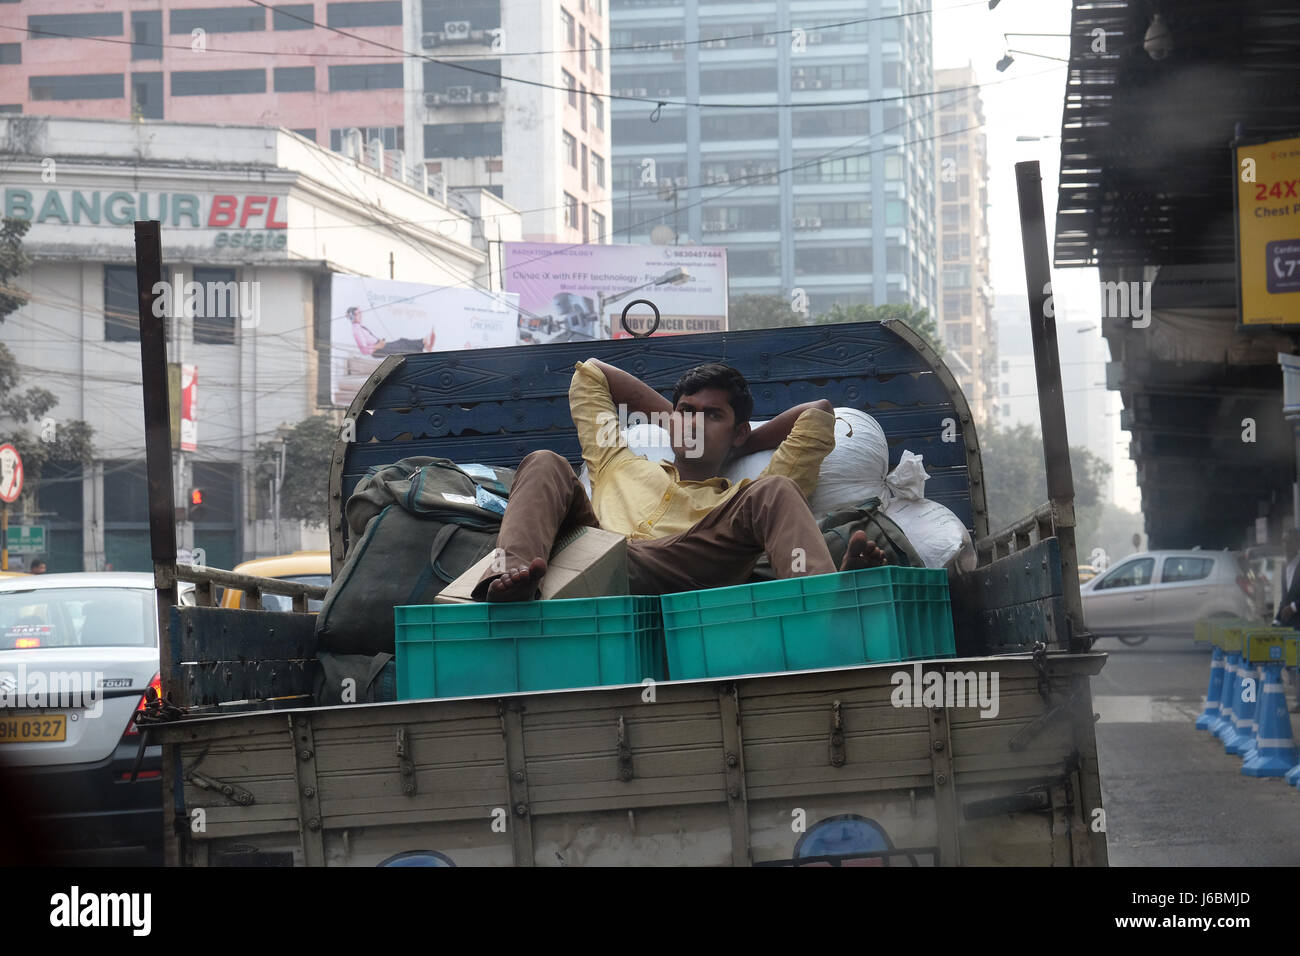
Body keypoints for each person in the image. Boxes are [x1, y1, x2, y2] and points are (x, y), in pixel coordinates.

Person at [475, 358, 887, 602]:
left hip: (684, 566)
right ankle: (509, 581)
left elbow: (817, 412)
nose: (694, 421)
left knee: (777, 490)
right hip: (596, 556)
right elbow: (593, 374)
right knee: (545, 461)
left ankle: (823, 598)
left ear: (738, 430)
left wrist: (740, 444)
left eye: (712, 415)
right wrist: (681, 422)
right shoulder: (618, 462)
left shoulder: (740, 501)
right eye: (686, 410)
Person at [348, 306, 436, 356]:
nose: (360, 315)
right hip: (377, 350)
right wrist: (378, 346)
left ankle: (424, 344)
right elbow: (364, 350)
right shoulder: (356, 330)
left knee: (402, 341)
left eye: (360, 313)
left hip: (379, 345)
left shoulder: (359, 327)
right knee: (402, 344)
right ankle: (424, 342)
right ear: (352, 316)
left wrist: (379, 343)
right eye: (357, 313)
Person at [1275, 528, 1300, 624]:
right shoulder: (1284, 567)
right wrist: (1276, 622)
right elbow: (1285, 600)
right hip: (1287, 629)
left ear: (1297, 544)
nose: (1285, 546)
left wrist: (1293, 607)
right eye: (1283, 542)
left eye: (1289, 542)